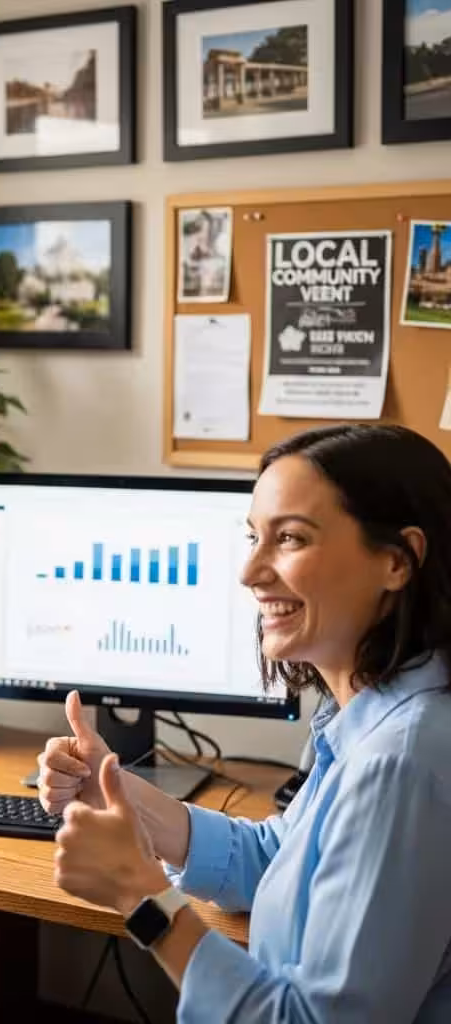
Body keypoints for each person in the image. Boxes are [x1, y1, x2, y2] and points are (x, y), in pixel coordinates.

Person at [37, 423, 451, 1023]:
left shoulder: (400, 761)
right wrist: (113, 785)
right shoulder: (369, 714)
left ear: (396, 560)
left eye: (289, 539)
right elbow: (274, 860)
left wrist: (143, 896)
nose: (250, 570)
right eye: (254, 536)